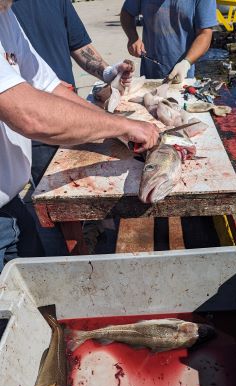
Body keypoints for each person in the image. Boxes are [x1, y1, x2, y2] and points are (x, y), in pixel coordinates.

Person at [0, 0, 159, 270]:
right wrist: (121, 127)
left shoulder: (6, 15)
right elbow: (29, 113)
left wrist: (113, 123)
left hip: (10, 205)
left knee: (37, 293)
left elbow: (50, 87)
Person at [12, 0, 134, 184]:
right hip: (33, 131)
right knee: (55, 194)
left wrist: (108, 72)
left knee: (89, 185)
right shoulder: (5, 8)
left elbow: (79, 45)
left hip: (72, 116)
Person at [120, 0, 217, 82]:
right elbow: (127, 12)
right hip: (149, 74)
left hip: (182, 75)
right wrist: (133, 38)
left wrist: (186, 63)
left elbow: (205, 34)